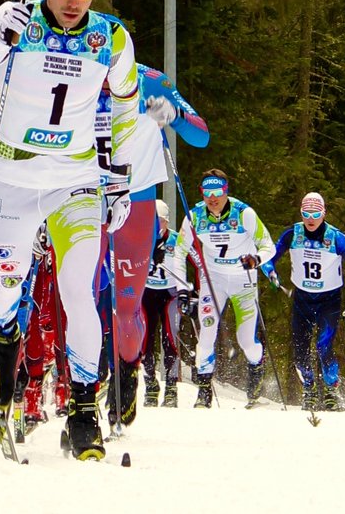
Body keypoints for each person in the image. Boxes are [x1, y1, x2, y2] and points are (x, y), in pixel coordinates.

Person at [0, 0, 140, 461]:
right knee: (6, 288)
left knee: (79, 288)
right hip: (13, 177)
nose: (73, 1)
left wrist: (120, 172)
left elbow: (126, 104)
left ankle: (82, 409)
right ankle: (5, 354)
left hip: (75, 178)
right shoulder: (15, 20)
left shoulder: (111, 38)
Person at [94, 62, 208, 428]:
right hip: (85, 198)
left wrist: (171, 115)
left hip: (138, 201)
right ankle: (84, 387)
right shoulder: (73, 64)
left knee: (126, 307)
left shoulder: (152, 81)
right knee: (86, 296)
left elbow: (201, 136)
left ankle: (126, 377)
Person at [172, 169, 276, 408]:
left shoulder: (244, 214)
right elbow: (179, 251)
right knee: (207, 331)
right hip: (213, 279)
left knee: (246, 340)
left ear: (226, 191)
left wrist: (256, 259)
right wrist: (183, 288)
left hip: (243, 281)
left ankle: (256, 367)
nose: (212, 198)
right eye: (207, 193)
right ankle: (204, 389)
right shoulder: (195, 216)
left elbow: (268, 245)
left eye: (217, 192)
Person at [263, 192, 345, 411]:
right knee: (300, 348)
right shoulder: (292, 234)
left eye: (315, 213)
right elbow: (269, 259)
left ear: (323, 213)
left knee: (324, 344)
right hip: (302, 298)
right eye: (306, 213)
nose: (310, 219)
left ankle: (331, 391)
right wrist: (271, 273)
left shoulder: (335, 237)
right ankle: (310, 390)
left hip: (329, 299)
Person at [142, 199, 181, 408]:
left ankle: (172, 387)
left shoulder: (177, 240)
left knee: (170, 338)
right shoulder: (140, 238)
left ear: (166, 221)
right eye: (151, 221)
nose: (156, 226)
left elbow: (196, 263)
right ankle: (150, 384)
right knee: (144, 341)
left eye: (159, 221)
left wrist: (191, 294)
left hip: (170, 294)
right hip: (146, 293)